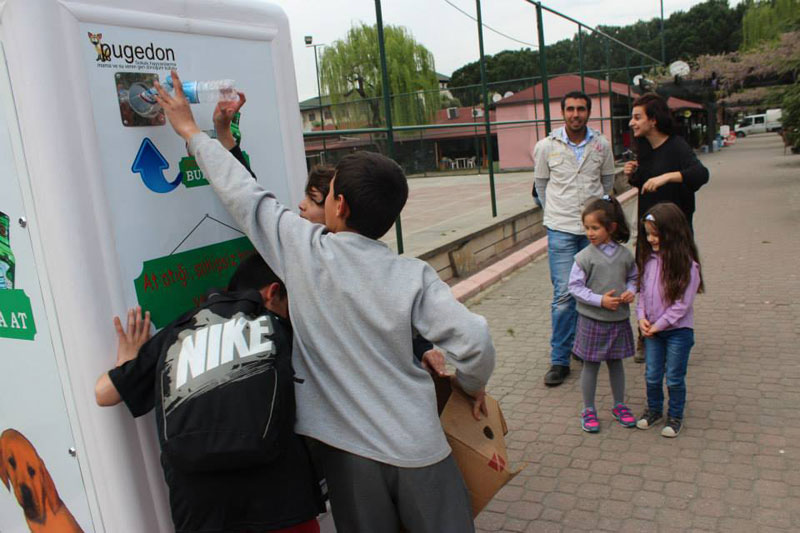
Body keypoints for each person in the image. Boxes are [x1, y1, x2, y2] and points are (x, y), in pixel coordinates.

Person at [154, 71, 495, 533]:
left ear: (340, 207)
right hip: (420, 449)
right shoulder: (412, 274)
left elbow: (244, 196)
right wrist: (470, 386)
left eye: (329, 192)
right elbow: (473, 338)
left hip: (349, 456)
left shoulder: (303, 250)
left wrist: (191, 132)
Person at [94, 255, 324, 532]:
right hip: (281, 506)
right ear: (273, 293)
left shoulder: (175, 333)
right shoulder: (275, 326)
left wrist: (129, 363)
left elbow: (103, 393)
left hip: (199, 514)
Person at [533, 91, 617, 386]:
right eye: (570, 109)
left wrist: (600, 219)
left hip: (594, 232)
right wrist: (556, 213)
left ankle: (585, 347)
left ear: (588, 112)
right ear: (562, 112)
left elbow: (607, 183)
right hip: (561, 229)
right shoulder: (546, 147)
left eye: (581, 109)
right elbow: (541, 186)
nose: (575, 114)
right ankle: (559, 359)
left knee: (593, 290)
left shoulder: (601, 144)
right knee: (564, 295)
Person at [568, 196, 637, 432]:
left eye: (595, 228)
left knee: (616, 363)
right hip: (592, 320)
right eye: (586, 228)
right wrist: (600, 300)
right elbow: (575, 288)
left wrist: (631, 291)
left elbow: (633, 278)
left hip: (618, 320)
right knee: (591, 365)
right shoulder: (584, 257)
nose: (589, 233)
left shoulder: (626, 255)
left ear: (611, 227)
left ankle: (620, 405)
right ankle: (588, 409)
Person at [635, 203, 704, 438]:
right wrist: (641, 318)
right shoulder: (648, 260)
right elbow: (642, 293)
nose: (651, 239)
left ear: (673, 232)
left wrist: (658, 325)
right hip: (652, 331)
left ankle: (675, 416)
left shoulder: (688, 266)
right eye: (648, 233)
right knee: (652, 374)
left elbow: (682, 305)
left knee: (674, 377)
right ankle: (653, 410)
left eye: (656, 233)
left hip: (678, 332)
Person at [624, 93, 709, 231]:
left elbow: (701, 174)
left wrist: (667, 177)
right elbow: (646, 186)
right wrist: (632, 174)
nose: (631, 123)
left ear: (653, 120)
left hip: (673, 232)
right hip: (649, 230)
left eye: (637, 118)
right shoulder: (644, 148)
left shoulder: (676, 145)